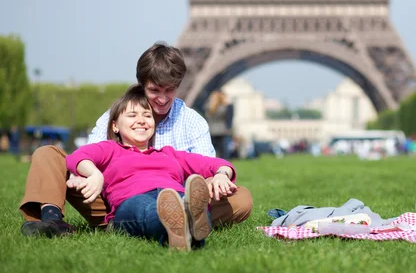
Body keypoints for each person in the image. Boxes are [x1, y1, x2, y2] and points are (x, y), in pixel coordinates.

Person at [19, 42, 253, 237]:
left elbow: (206, 166)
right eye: (154, 91)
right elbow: (88, 153)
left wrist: (219, 176)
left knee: (240, 198)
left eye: (169, 90)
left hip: (176, 195)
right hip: (109, 195)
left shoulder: (190, 125)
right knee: (48, 154)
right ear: (142, 85)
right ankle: (51, 220)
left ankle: (182, 221)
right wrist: (90, 175)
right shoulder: (118, 117)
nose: (162, 99)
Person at [66, 85, 236, 250]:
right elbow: (77, 157)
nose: (141, 120)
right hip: (130, 201)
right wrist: (95, 174)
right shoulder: (109, 149)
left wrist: (221, 174)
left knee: (184, 202)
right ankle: (186, 222)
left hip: (174, 196)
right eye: (132, 115)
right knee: (147, 209)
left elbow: (216, 164)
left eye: (147, 116)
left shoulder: (169, 154)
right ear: (115, 126)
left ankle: (184, 231)